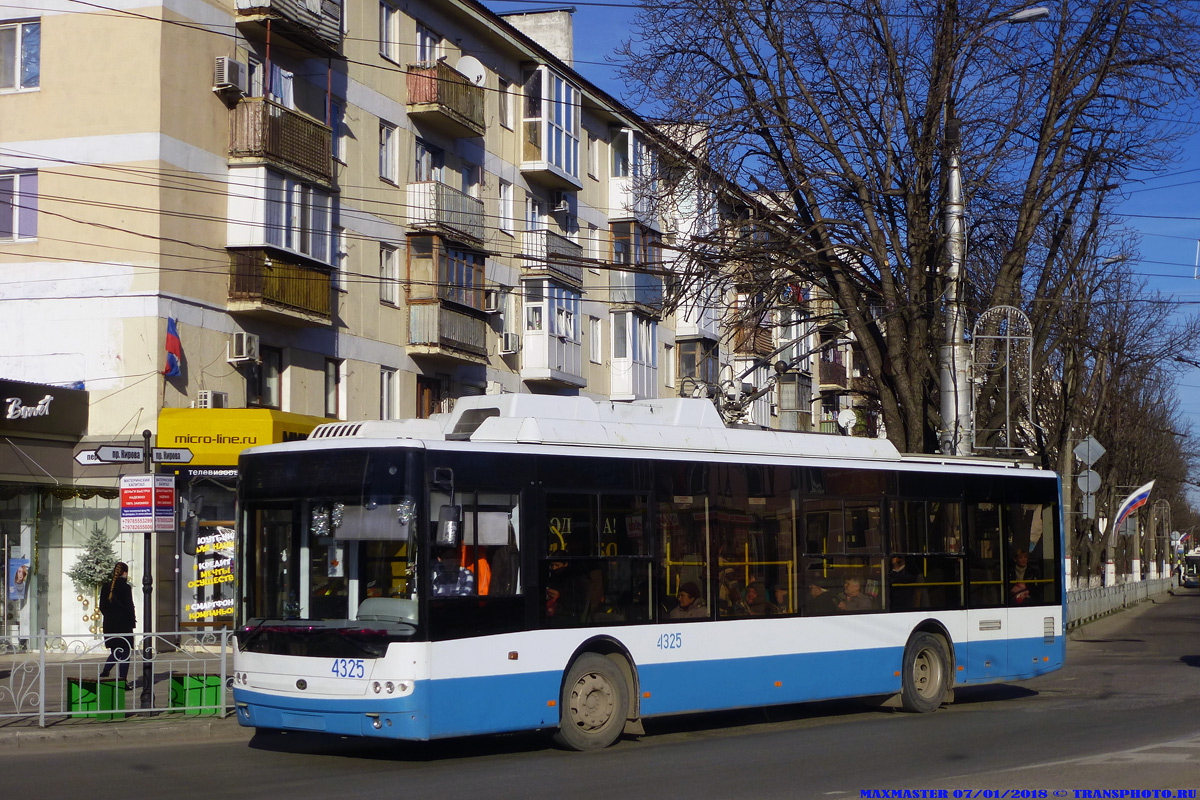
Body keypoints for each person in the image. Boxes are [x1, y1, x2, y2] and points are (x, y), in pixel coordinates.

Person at [98, 562, 136, 687]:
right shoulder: (125, 587)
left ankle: (106, 670)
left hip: (109, 624)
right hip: (123, 624)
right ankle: (122, 681)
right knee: (124, 653)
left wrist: (109, 616)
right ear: (124, 573)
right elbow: (129, 606)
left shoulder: (105, 587)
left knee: (115, 651)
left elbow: (102, 607)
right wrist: (132, 621)